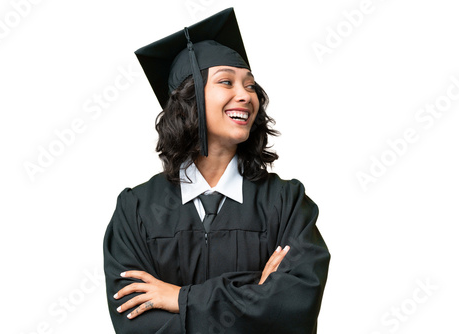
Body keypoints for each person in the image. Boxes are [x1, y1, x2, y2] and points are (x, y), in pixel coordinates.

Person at [103, 8, 330, 334]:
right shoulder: (136, 210)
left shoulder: (286, 201)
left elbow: (292, 312)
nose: (245, 96)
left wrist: (181, 299)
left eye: (250, 86)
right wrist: (256, 291)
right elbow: (139, 326)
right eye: (227, 82)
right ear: (188, 100)